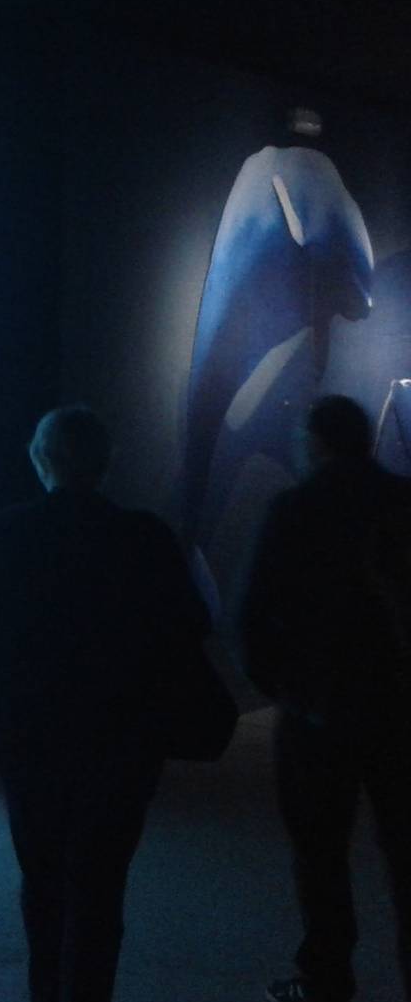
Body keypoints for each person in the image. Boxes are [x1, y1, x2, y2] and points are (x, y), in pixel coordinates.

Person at [0, 405, 209, 1002]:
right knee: (102, 882)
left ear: (41, 458)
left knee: (42, 879)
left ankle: (46, 993)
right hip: (124, 736)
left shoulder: (6, 531)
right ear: (106, 462)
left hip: (29, 736)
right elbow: (190, 624)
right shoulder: (145, 535)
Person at [241, 395, 411, 1002]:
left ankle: (328, 977)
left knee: (319, 850)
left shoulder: (294, 509)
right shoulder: (404, 501)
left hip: (319, 709)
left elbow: (254, 616)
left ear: (315, 439)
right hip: (400, 706)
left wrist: (286, 690)